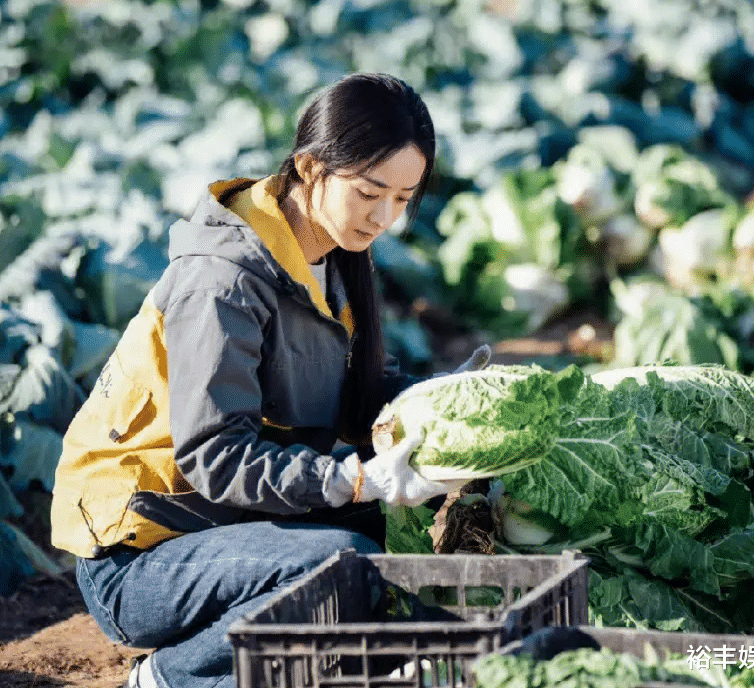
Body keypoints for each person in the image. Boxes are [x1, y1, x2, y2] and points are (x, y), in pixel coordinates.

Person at [49, 72, 490, 688]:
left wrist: (451, 403)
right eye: (371, 192)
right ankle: (175, 677)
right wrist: (351, 479)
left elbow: (360, 396)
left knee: (396, 553)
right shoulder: (222, 281)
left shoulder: (335, 254)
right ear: (310, 167)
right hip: (142, 555)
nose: (386, 216)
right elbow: (216, 457)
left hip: (220, 524)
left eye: (403, 197)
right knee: (343, 567)